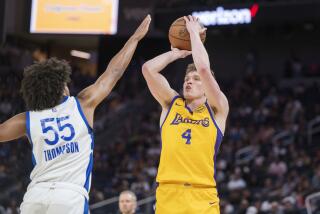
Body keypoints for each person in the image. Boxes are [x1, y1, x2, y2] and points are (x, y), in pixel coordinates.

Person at [0, 15, 151, 214]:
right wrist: (135, 38)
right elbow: (114, 71)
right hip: (69, 196)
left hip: (35, 196)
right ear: (61, 87)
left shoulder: (28, 118)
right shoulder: (82, 104)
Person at [142, 15, 229, 213]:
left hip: (202, 195)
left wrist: (193, 34)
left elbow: (204, 69)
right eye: (186, 78)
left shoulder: (217, 109)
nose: (189, 82)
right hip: (168, 194)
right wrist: (177, 54)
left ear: (207, 87)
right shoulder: (170, 104)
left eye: (195, 79)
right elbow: (148, 69)